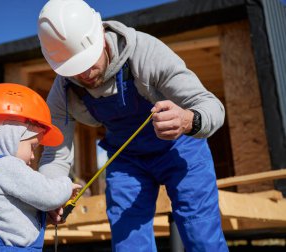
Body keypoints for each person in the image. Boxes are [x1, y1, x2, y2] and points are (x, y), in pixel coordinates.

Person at [37, 0, 229, 251]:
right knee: (128, 240)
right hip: (127, 159)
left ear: (100, 35)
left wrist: (187, 119)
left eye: (88, 62)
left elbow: (211, 106)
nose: (83, 75)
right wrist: (50, 194)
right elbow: (55, 154)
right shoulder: (63, 92)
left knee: (200, 232)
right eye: (74, 69)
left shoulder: (145, 53)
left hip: (180, 149)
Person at [0, 83, 81, 251]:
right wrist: (66, 185)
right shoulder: (5, 166)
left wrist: (42, 217)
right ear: (12, 134)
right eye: (32, 146)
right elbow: (49, 194)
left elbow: (9, 218)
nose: (32, 156)